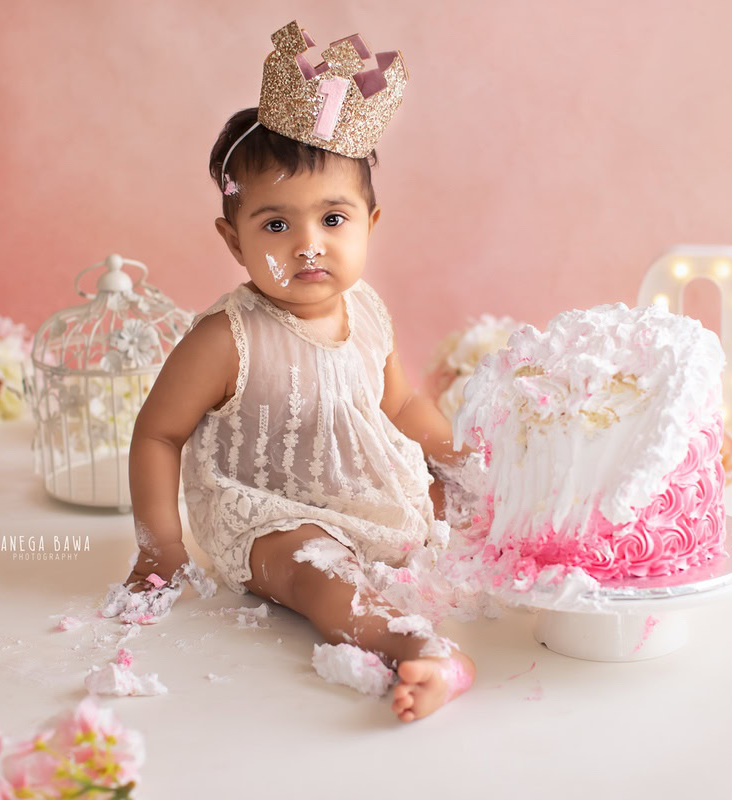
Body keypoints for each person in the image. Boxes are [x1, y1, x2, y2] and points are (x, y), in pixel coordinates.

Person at [125, 22, 475, 723]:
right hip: (266, 511)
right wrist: (160, 546)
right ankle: (418, 646)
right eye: (276, 225)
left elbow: (400, 404)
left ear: (370, 223)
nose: (309, 245)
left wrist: (462, 462)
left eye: (334, 219)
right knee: (315, 574)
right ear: (234, 239)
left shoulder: (367, 311)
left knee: (462, 504)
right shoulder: (228, 339)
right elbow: (157, 435)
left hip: (357, 487)